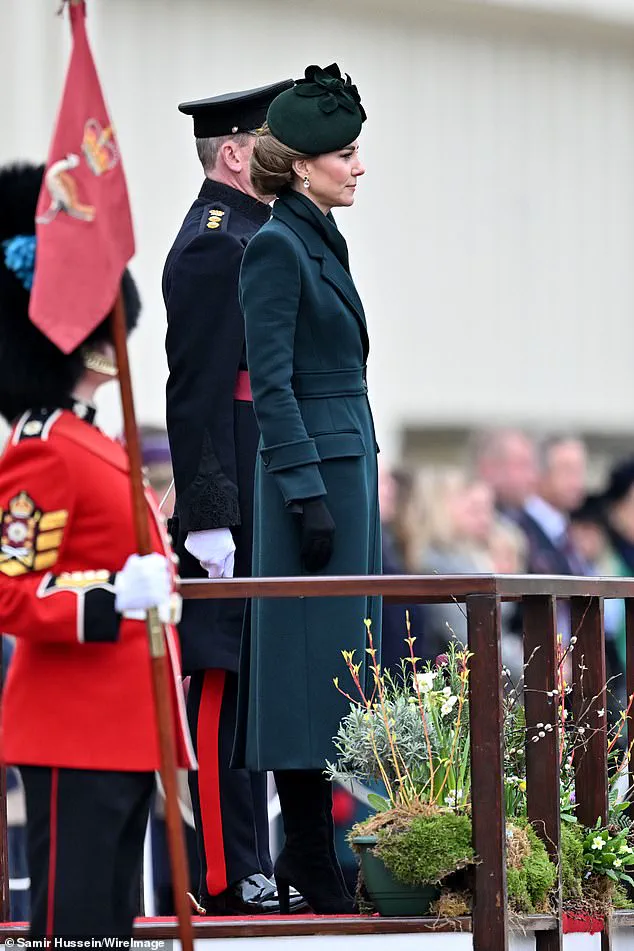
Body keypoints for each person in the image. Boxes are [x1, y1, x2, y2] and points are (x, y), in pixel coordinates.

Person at [0, 161, 195, 938]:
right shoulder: (43, 450)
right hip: (71, 726)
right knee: (73, 926)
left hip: (123, 725)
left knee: (109, 926)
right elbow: (12, 592)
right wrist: (114, 599)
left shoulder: (92, 442)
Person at [236, 63, 381, 915]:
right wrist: (301, 488)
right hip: (311, 483)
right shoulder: (275, 246)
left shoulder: (318, 235)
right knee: (303, 668)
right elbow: (274, 381)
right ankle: (306, 849)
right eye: (347, 153)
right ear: (301, 164)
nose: (358, 166)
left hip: (343, 469)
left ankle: (318, 844)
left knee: (337, 666)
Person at [163, 78, 305, 916]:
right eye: (271, 142)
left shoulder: (263, 231)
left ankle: (261, 861)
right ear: (234, 152)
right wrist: (210, 513)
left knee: (258, 677)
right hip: (233, 481)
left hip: (263, 469)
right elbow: (200, 391)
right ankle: (227, 869)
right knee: (223, 679)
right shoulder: (219, 241)